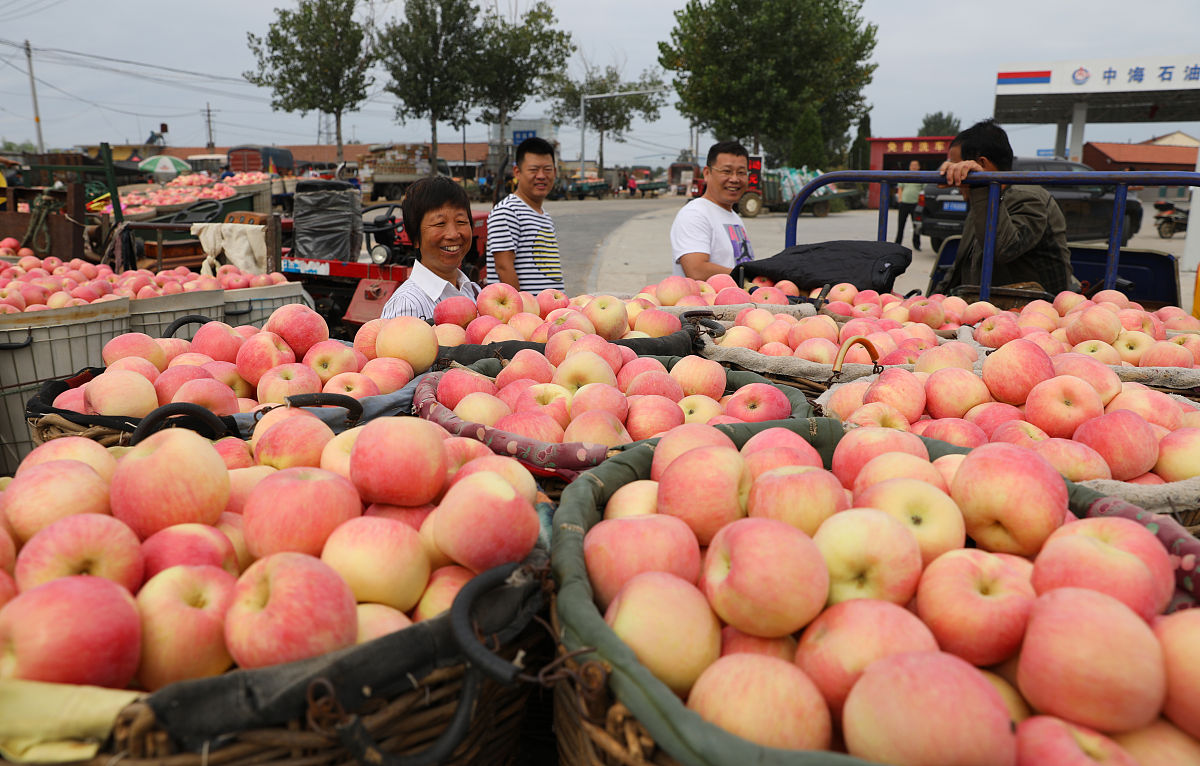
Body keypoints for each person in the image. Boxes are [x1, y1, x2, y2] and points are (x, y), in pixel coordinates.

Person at [934, 119, 1075, 296]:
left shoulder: (1028, 197)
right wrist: (934, 299)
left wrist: (980, 183)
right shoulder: (982, 200)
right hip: (987, 309)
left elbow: (1002, 249)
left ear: (981, 164)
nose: (954, 180)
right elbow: (961, 266)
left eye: (958, 168)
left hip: (1032, 312)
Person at [379, 176, 480, 321]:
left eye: (461, 221)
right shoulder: (407, 305)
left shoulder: (474, 291)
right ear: (415, 238)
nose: (453, 234)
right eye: (439, 224)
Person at [485, 136, 565, 292]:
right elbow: (503, 267)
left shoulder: (545, 216)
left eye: (547, 169)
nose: (541, 176)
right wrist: (521, 313)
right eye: (533, 170)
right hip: (527, 314)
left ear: (554, 172)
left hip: (549, 312)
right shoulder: (507, 211)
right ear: (517, 172)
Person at [669, 141, 755, 279]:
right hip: (708, 301)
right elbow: (696, 270)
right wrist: (752, 275)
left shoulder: (734, 216)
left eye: (741, 172)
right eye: (726, 171)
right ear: (707, 173)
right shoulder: (694, 214)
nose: (734, 179)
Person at [895, 159, 922, 250]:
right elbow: (900, 188)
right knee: (901, 225)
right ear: (909, 167)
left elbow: (924, 190)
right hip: (904, 204)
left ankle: (917, 245)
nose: (914, 167)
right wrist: (900, 199)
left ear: (919, 167)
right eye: (912, 165)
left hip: (916, 205)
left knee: (916, 226)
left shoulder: (922, 176)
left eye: (916, 165)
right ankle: (897, 244)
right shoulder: (905, 176)